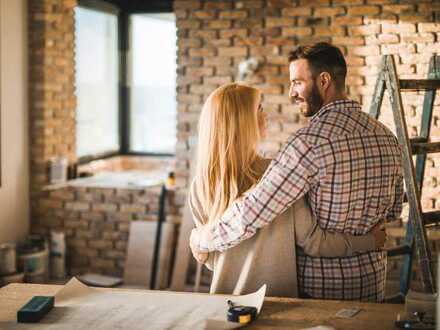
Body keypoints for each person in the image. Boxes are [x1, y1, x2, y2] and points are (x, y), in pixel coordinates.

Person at [190, 43, 403, 302]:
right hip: (371, 283)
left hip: (321, 292)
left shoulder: (308, 144)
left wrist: (201, 239)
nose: (291, 93)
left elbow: (250, 214)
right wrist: (368, 239)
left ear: (324, 81)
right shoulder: (387, 137)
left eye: (297, 82)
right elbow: (393, 211)